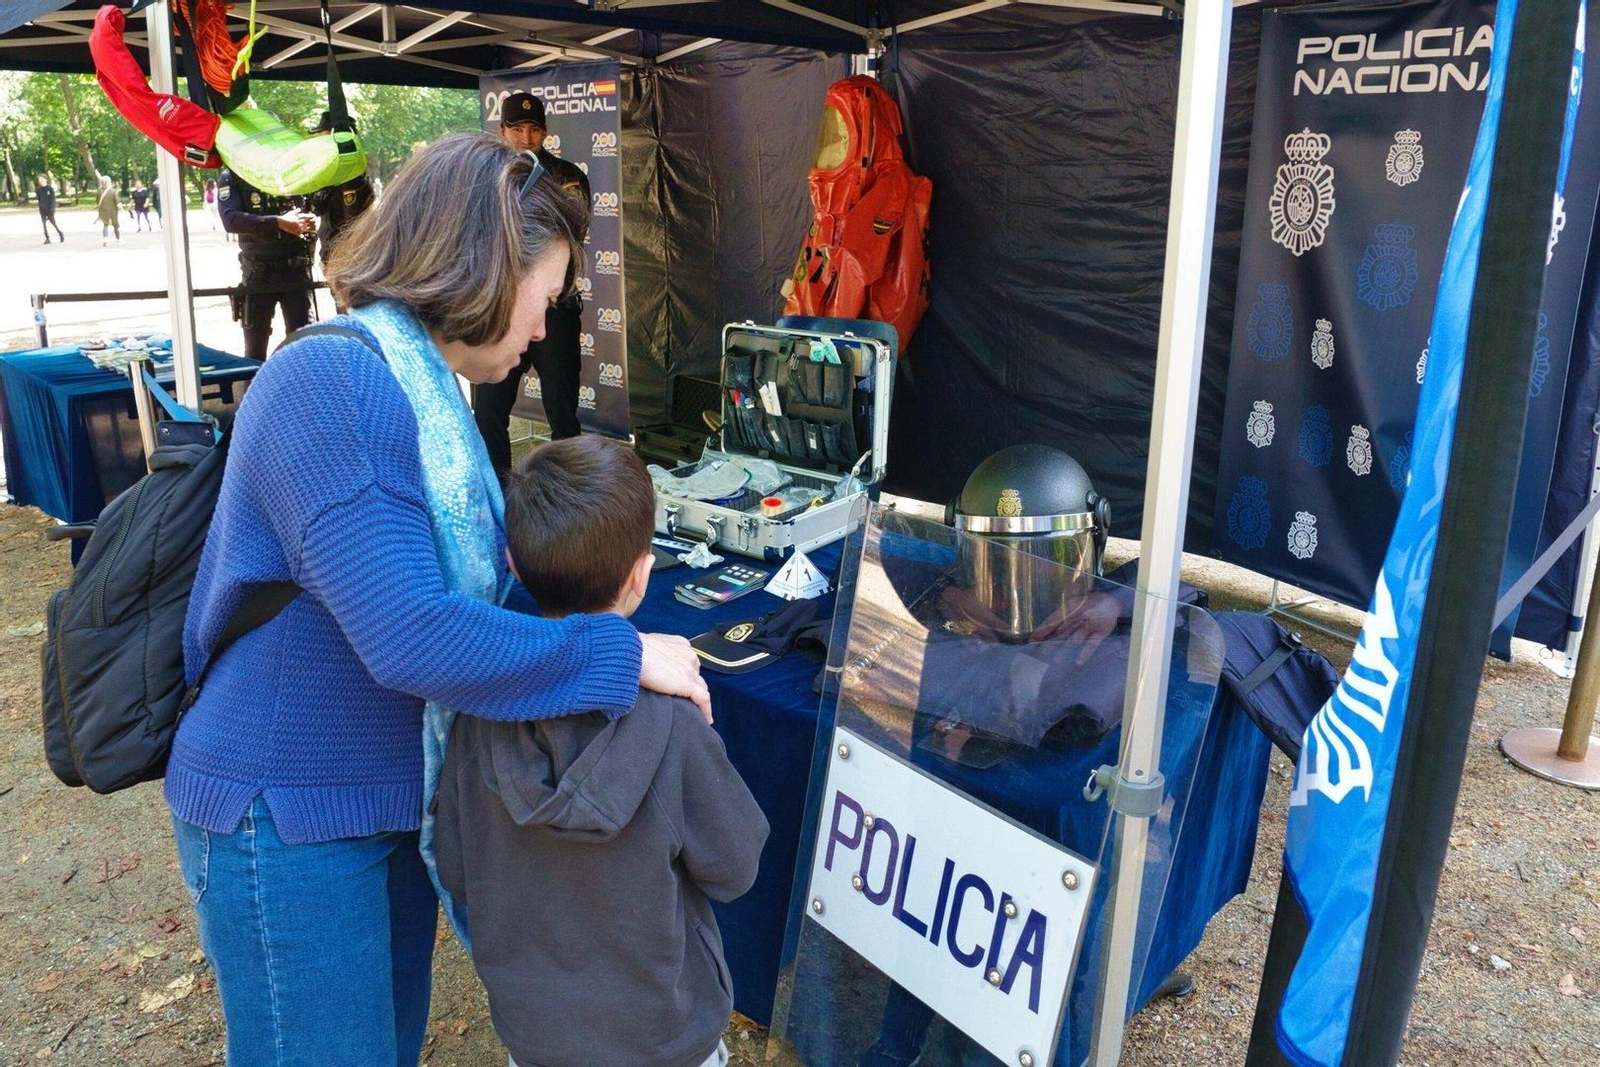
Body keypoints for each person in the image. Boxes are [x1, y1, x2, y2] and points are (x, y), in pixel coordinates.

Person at [167, 131, 711, 1066]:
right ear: (484, 268)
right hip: (288, 811)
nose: (546, 327)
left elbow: (479, 587)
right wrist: (621, 655)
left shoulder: (419, 384)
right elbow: (411, 635)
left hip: (379, 799)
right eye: (544, 297)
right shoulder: (334, 383)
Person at [436, 435, 767, 1067]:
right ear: (643, 575)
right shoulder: (672, 724)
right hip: (664, 1038)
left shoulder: (479, 714)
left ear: (511, 561)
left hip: (536, 1037)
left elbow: (455, 868)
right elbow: (736, 867)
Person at [473, 91, 591, 477]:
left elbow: (566, 232)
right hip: (502, 311)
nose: (526, 139)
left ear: (545, 132)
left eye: (534, 129)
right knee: (489, 410)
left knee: (563, 413)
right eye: (518, 129)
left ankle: (570, 495)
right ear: (501, 129)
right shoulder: (484, 175)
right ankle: (500, 499)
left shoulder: (567, 176)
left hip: (554, 310)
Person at [217, 167, 317, 360]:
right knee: (255, 352)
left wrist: (309, 221)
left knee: (304, 347)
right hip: (259, 273)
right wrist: (278, 222)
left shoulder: (292, 169)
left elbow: (308, 208)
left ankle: (303, 389)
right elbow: (230, 220)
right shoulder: (235, 176)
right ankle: (253, 389)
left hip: (295, 271)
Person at [306, 110, 376, 277]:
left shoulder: (349, 178)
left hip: (346, 263)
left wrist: (332, 259)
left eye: (322, 134)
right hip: (337, 259)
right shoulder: (336, 175)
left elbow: (350, 228)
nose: (319, 140)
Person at [35, 174, 64, 244]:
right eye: (39, 179)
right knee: (44, 224)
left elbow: (53, 199)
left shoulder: (50, 188)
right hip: (42, 209)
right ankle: (47, 238)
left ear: (45, 179)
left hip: (49, 209)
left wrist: (52, 209)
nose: (40, 180)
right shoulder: (38, 189)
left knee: (53, 223)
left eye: (42, 179)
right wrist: (40, 206)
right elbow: (39, 199)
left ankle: (60, 233)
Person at [95, 174, 121, 246]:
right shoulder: (113, 191)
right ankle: (118, 239)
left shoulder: (99, 191)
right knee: (115, 225)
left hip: (103, 210)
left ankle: (105, 238)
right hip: (112, 211)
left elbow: (97, 201)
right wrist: (120, 207)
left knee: (105, 225)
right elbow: (117, 201)